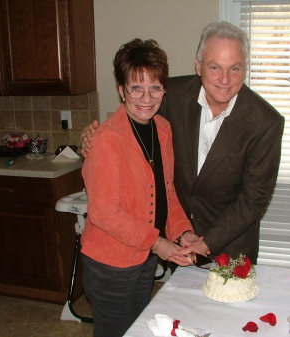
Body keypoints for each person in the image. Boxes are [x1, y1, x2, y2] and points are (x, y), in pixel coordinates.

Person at [81, 22, 284, 265]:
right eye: (215, 66)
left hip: (229, 245)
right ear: (199, 66)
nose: (224, 79)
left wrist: (206, 243)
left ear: (245, 70)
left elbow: (254, 198)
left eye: (235, 68)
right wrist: (94, 135)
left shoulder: (266, 122)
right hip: (176, 240)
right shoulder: (171, 95)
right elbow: (133, 110)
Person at [81, 38, 202, 337]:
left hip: (144, 257)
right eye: (136, 88)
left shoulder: (162, 128)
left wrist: (182, 233)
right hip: (110, 264)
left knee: (137, 330)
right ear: (122, 90)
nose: (146, 98)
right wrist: (159, 243)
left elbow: (167, 191)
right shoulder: (107, 139)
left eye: (155, 88)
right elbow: (104, 212)